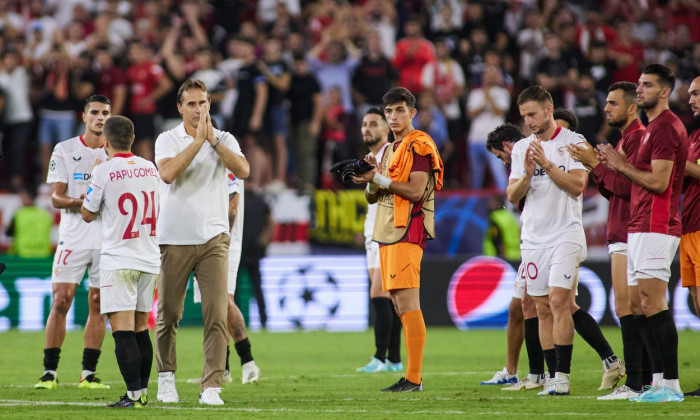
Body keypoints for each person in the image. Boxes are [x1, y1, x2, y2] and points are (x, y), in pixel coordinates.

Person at [154, 79, 250, 406]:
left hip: (213, 237)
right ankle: (166, 378)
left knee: (216, 314)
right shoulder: (167, 139)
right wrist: (198, 142)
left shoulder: (224, 138)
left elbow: (243, 169)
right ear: (180, 107)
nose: (199, 109)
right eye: (192, 104)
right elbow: (168, 173)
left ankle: (211, 386)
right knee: (169, 314)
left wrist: (214, 142)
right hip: (174, 237)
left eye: (204, 103)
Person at [597, 64, 688, 403]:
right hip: (638, 224)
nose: (640, 90)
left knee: (652, 301)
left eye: (647, 85)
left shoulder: (665, 129)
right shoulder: (652, 129)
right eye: (639, 84)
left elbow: (661, 182)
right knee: (638, 303)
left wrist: (619, 166)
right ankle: (656, 382)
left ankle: (671, 384)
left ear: (664, 92)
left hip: (657, 223)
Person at [351, 87, 444, 392]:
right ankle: (409, 375)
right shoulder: (391, 149)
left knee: (407, 302)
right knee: (397, 303)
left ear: (412, 113)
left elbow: (416, 191)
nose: (393, 116)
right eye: (388, 111)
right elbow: (372, 198)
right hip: (388, 229)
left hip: (408, 229)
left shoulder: (419, 145)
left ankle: (414, 378)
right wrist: (370, 178)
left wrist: (378, 179)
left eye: (399, 110)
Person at [507, 85, 589, 396]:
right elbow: (512, 194)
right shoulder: (521, 148)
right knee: (541, 308)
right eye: (524, 115)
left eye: (532, 114)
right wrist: (528, 173)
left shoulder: (574, 142)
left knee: (558, 301)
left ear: (549, 110)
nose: (528, 121)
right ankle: (553, 374)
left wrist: (547, 165)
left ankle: (563, 379)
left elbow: (578, 185)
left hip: (565, 233)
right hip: (533, 238)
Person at [568, 81, 647, 400]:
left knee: (633, 307)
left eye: (612, 103)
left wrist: (595, 163)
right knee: (628, 307)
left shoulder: (638, 139)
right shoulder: (625, 140)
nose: (605, 108)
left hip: (631, 229)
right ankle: (645, 379)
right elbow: (612, 187)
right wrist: (595, 164)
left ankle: (639, 381)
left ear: (631, 108)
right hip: (622, 228)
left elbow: (631, 188)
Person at [81, 115, 160, 408]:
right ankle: (142, 394)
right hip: (149, 257)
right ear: (133, 137)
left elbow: (88, 213)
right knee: (141, 327)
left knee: (123, 329)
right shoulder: (149, 167)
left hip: (119, 258)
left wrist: (93, 178)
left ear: (106, 141)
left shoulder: (104, 170)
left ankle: (133, 395)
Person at [34, 95, 112, 391]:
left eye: (105, 112)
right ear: (84, 116)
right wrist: (81, 202)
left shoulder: (116, 153)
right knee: (61, 300)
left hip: (106, 239)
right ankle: (49, 373)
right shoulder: (65, 149)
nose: (100, 117)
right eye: (95, 112)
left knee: (98, 303)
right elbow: (55, 196)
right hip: (74, 238)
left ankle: (88, 374)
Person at [482, 123, 546, 391]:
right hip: (531, 243)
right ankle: (512, 371)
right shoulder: (522, 163)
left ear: (508, 146)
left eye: (500, 156)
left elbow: (515, 195)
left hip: (547, 241)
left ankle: (541, 374)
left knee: (553, 307)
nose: (502, 161)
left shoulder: (531, 157)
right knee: (517, 307)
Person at [188, 172, 261, 385]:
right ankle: (222, 369)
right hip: (204, 241)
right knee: (213, 307)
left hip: (221, 242)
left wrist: (219, 239)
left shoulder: (229, 157)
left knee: (224, 302)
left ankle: (248, 363)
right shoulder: (206, 157)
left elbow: (233, 206)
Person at [355, 108, 403, 374]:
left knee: (379, 294)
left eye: (373, 124)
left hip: (387, 231)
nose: (367, 129)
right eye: (364, 124)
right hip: (373, 230)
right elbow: (371, 194)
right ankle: (394, 359)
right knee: (390, 299)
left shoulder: (392, 154)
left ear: (386, 129)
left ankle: (380, 358)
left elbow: (396, 186)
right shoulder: (373, 157)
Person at [681, 76, 700, 398]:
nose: (691, 99)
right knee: (698, 307)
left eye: (696, 94)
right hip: (688, 227)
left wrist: (675, 163)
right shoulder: (695, 134)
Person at [5, 188, 52, 259]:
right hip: (43, 253)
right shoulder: (45, 214)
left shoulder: (18, 214)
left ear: (27, 198)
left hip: (22, 253)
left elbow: (8, 233)